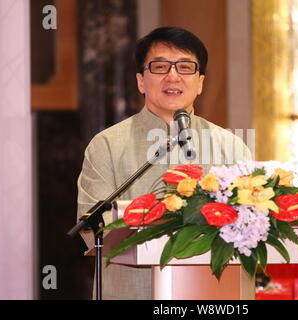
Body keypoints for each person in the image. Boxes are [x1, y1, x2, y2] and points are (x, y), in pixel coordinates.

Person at [77, 26, 252, 300]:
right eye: (159, 67)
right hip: (131, 291)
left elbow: (251, 224)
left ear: (200, 82)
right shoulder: (107, 145)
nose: (173, 76)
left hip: (214, 294)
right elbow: (93, 228)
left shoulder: (230, 146)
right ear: (141, 81)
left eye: (185, 67)